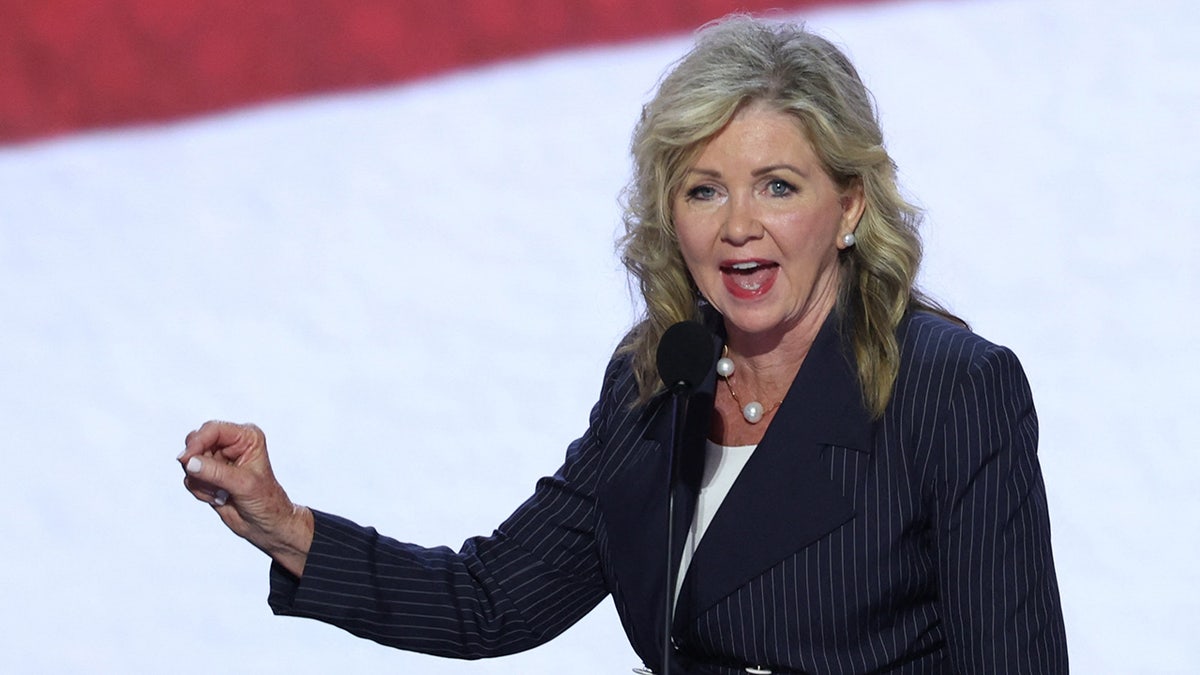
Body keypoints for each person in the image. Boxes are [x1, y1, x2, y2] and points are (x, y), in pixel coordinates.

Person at [179, 15, 1068, 674]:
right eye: (705, 190)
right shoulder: (655, 384)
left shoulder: (950, 388)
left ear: (850, 207)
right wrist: (289, 529)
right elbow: (493, 599)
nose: (741, 226)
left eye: (779, 185)